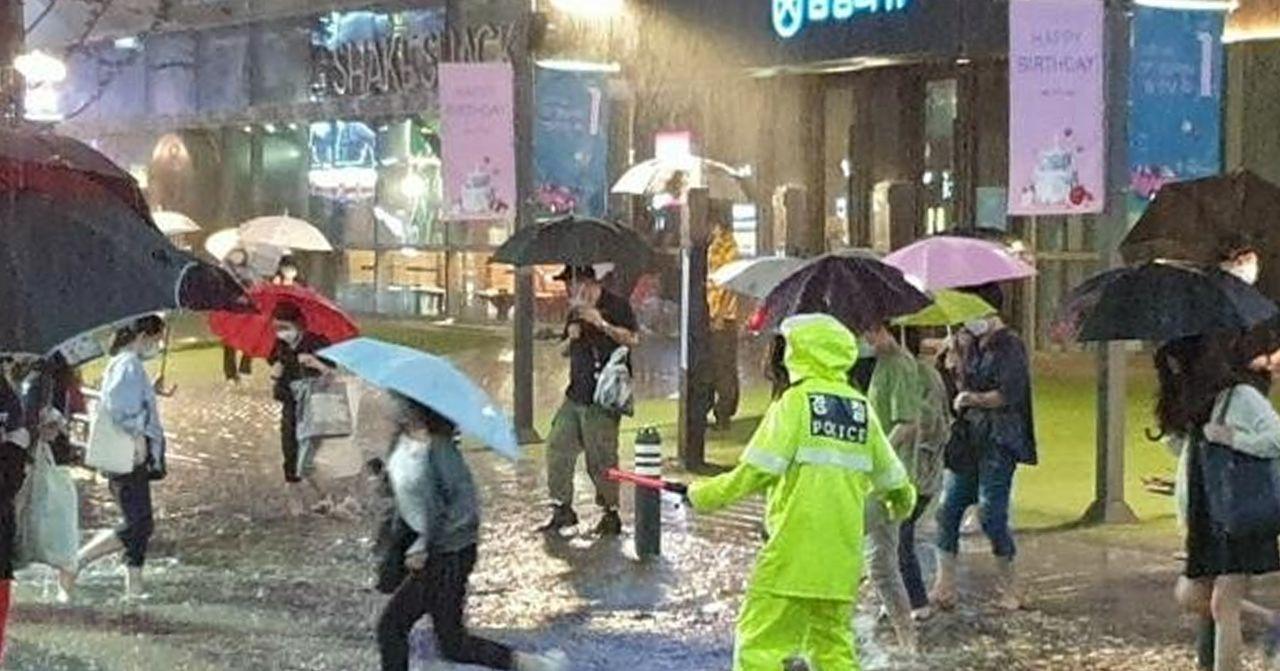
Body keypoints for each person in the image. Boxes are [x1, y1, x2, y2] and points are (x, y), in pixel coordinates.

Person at [685, 314, 917, 670]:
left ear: (800, 353)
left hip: (792, 554)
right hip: (840, 561)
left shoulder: (794, 404)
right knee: (833, 649)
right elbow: (895, 480)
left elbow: (756, 471)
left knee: (760, 646)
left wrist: (704, 495)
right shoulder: (859, 409)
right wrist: (901, 502)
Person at [377, 395, 568, 671]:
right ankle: (531, 665)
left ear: (420, 412)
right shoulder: (420, 447)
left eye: (405, 407)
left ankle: (533, 665)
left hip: (445, 557)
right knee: (449, 641)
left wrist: (422, 546)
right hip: (445, 555)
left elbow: (452, 509)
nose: (398, 412)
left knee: (394, 628)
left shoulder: (437, 451)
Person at [1152, 335, 1280, 671]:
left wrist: (1232, 438)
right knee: (1192, 594)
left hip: (1239, 512)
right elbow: (1195, 459)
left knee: (1225, 604)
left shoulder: (1241, 397)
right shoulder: (1198, 408)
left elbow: (1276, 439)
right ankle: (1272, 622)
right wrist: (1178, 437)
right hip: (1207, 519)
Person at [931, 307, 1036, 612]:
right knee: (948, 509)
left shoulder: (1010, 346)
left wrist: (973, 399)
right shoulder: (967, 344)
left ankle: (1012, 586)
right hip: (968, 439)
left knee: (992, 513)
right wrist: (949, 366)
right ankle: (944, 584)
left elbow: (1009, 394)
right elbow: (955, 393)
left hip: (998, 439)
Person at [541, 265, 639, 537]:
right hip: (576, 393)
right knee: (558, 446)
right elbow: (562, 351)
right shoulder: (574, 311)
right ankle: (562, 508)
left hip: (602, 398)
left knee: (601, 458)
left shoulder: (617, 306)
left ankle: (610, 512)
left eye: (571, 283)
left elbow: (633, 339)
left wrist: (601, 323)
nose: (568, 290)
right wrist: (570, 338)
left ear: (587, 283)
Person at [75, 315, 168, 599]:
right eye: (156, 339)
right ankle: (77, 561)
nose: (157, 345)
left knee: (140, 522)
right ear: (143, 337)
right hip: (128, 454)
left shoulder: (128, 364)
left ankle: (134, 587)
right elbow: (119, 408)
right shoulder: (128, 364)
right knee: (139, 523)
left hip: (130, 453)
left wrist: (151, 391)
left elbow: (128, 401)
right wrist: (138, 436)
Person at [861, 323, 922, 651]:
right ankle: (906, 638)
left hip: (887, 481)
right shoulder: (884, 364)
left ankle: (907, 639)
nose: (864, 340)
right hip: (879, 479)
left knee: (881, 564)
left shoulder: (898, 365)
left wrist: (879, 451)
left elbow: (907, 423)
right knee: (880, 564)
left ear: (882, 330)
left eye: (867, 334)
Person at [899, 340, 952, 621]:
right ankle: (904, 597)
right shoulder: (903, 373)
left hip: (918, 472)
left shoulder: (921, 376)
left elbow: (930, 422)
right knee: (897, 536)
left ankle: (915, 600)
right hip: (914, 471)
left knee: (900, 535)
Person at [268, 302, 332, 511]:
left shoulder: (317, 342)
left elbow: (332, 375)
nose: (280, 332)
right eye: (276, 327)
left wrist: (316, 363)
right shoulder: (279, 346)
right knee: (289, 452)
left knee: (305, 458)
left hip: (313, 404)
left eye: (284, 327)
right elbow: (275, 370)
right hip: (290, 403)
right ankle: (296, 504)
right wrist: (274, 374)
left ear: (297, 324)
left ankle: (328, 498)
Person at [706, 211, 741, 431]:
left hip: (723, 316)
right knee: (713, 365)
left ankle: (724, 412)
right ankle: (716, 408)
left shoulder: (729, 248)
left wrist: (719, 315)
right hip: (711, 311)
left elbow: (730, 284)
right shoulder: (714, 245)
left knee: (723, 366)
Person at [222, 248, 258, 384]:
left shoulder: (250, 271)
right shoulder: (224, 271)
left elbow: (256, 289)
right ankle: (230, 374)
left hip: (248, 311)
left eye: (241, 256)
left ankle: (245, 368)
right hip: (230, 311)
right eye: (235, 255)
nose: (238, 258)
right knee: (229, 344)